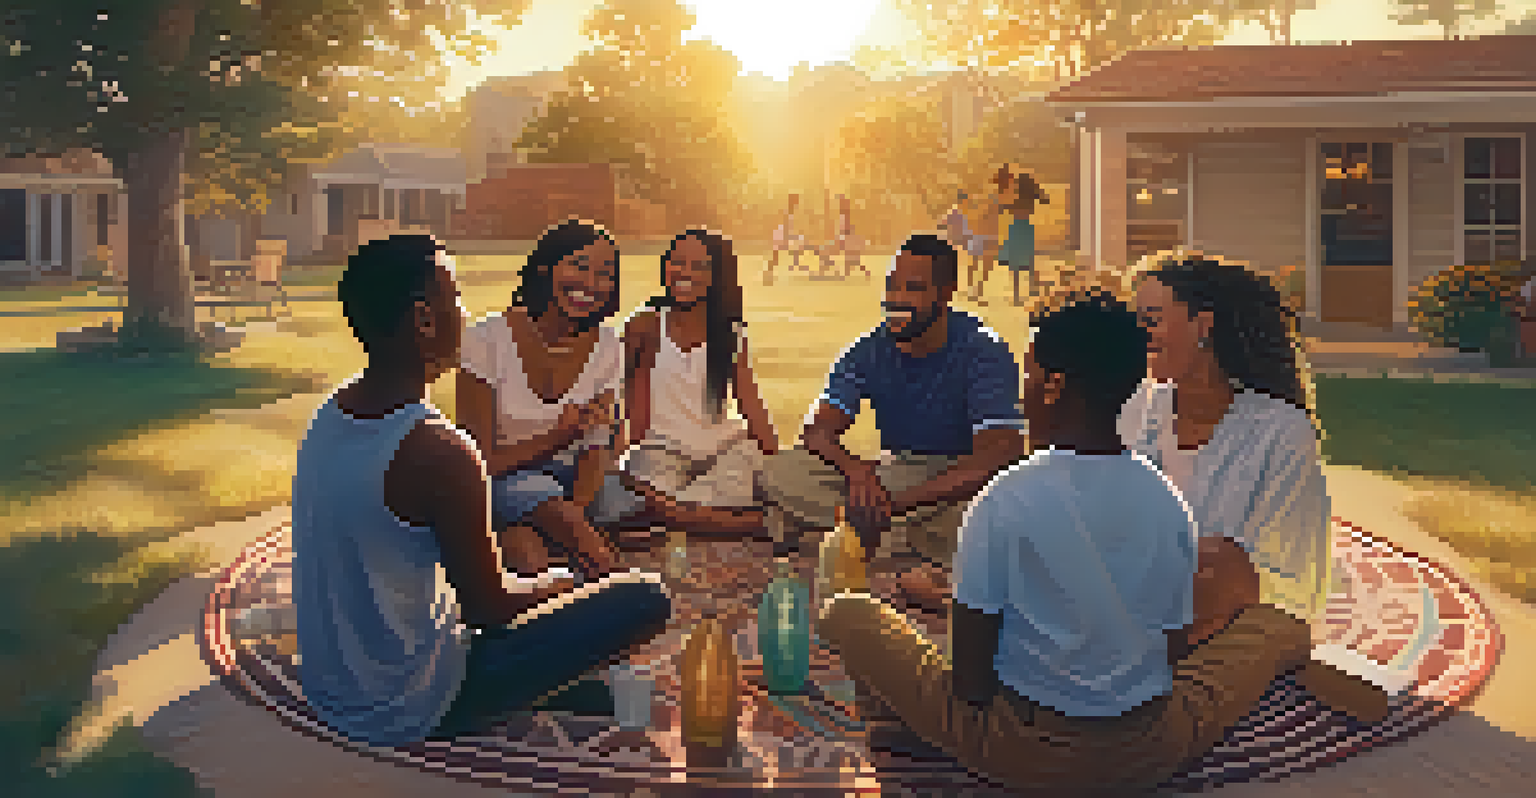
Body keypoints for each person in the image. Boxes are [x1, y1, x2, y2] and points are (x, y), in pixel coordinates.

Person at [817, 291, 1315, 794]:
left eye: (1028, 375)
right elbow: (1169, 653)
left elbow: (969, 683)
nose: (1021, 394)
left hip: (1025, 752)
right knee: (1270, 631)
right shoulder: (1166, 502)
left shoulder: (1004, 498)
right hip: (1149, 750)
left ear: (1053, 386)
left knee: (848, 613)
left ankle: (900, 726)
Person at [291, 234, 671, 747]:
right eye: (455, 297)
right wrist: (563, 585)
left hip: (329, 688)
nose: (464, 314)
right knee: (643, 599)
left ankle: (571, 683)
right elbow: (490, 609)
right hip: (410, 704)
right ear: (424, 319)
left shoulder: (329, 415)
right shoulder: (441, 452)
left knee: (575, 636)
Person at [1118, 252, 1390, 721]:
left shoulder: (1280, 431)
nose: (1136, 335)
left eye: (1152, 320)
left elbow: (1293, 582)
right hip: (1135, 594)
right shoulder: (1133, 407)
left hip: (1231, 607)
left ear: (1203, 326)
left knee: (1214, 563)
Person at [759, 234, 1029, 608]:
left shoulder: (984, 351)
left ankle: (852, 530)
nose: (896, 299)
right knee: (781, 471)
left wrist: (896, 503)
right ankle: (905, 537)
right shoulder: (868, 350)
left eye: (912, 289)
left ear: (945, 293)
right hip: (898, 474)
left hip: (959, 481)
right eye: (892, 286)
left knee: (1001, 510)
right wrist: (856, 471)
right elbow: (817, 432)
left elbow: (1000, 455)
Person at [454, 218, 633, 584]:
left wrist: (573, 517)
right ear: (544, 268)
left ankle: (537, 549)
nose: (590, 283)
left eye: (604, 274)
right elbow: (479, 461)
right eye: (578, 266)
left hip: (575, 483)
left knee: (529, 544)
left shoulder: (608, 345)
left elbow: (596, 448)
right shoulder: (485, 341)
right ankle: (617, 583)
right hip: (504, 479)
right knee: (538, 496)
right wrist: (557, 438)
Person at [601, 228, 779, 542]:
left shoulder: (730, 333)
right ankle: (727, 520)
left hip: (723, 452)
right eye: (678, 262)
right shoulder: (645, 325)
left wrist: (779, 466)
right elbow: (614, 395)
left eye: (700, 266)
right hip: (660, 452)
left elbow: (751, 405)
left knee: (749, 461)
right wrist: (611, 455)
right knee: (620, 495)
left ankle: (670, 514)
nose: (685, 272)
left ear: (717, 275)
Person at [996, 166, 1049, 307]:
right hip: (1026, 226)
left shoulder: (1015, 194)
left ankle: (1017, 294)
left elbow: (1003, 208)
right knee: (1029, 259)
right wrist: (1038, 191)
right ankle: (1031, 287)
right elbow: (1045, 199)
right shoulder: (1029, 193)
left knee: (1016, 263)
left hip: (1015, 226)